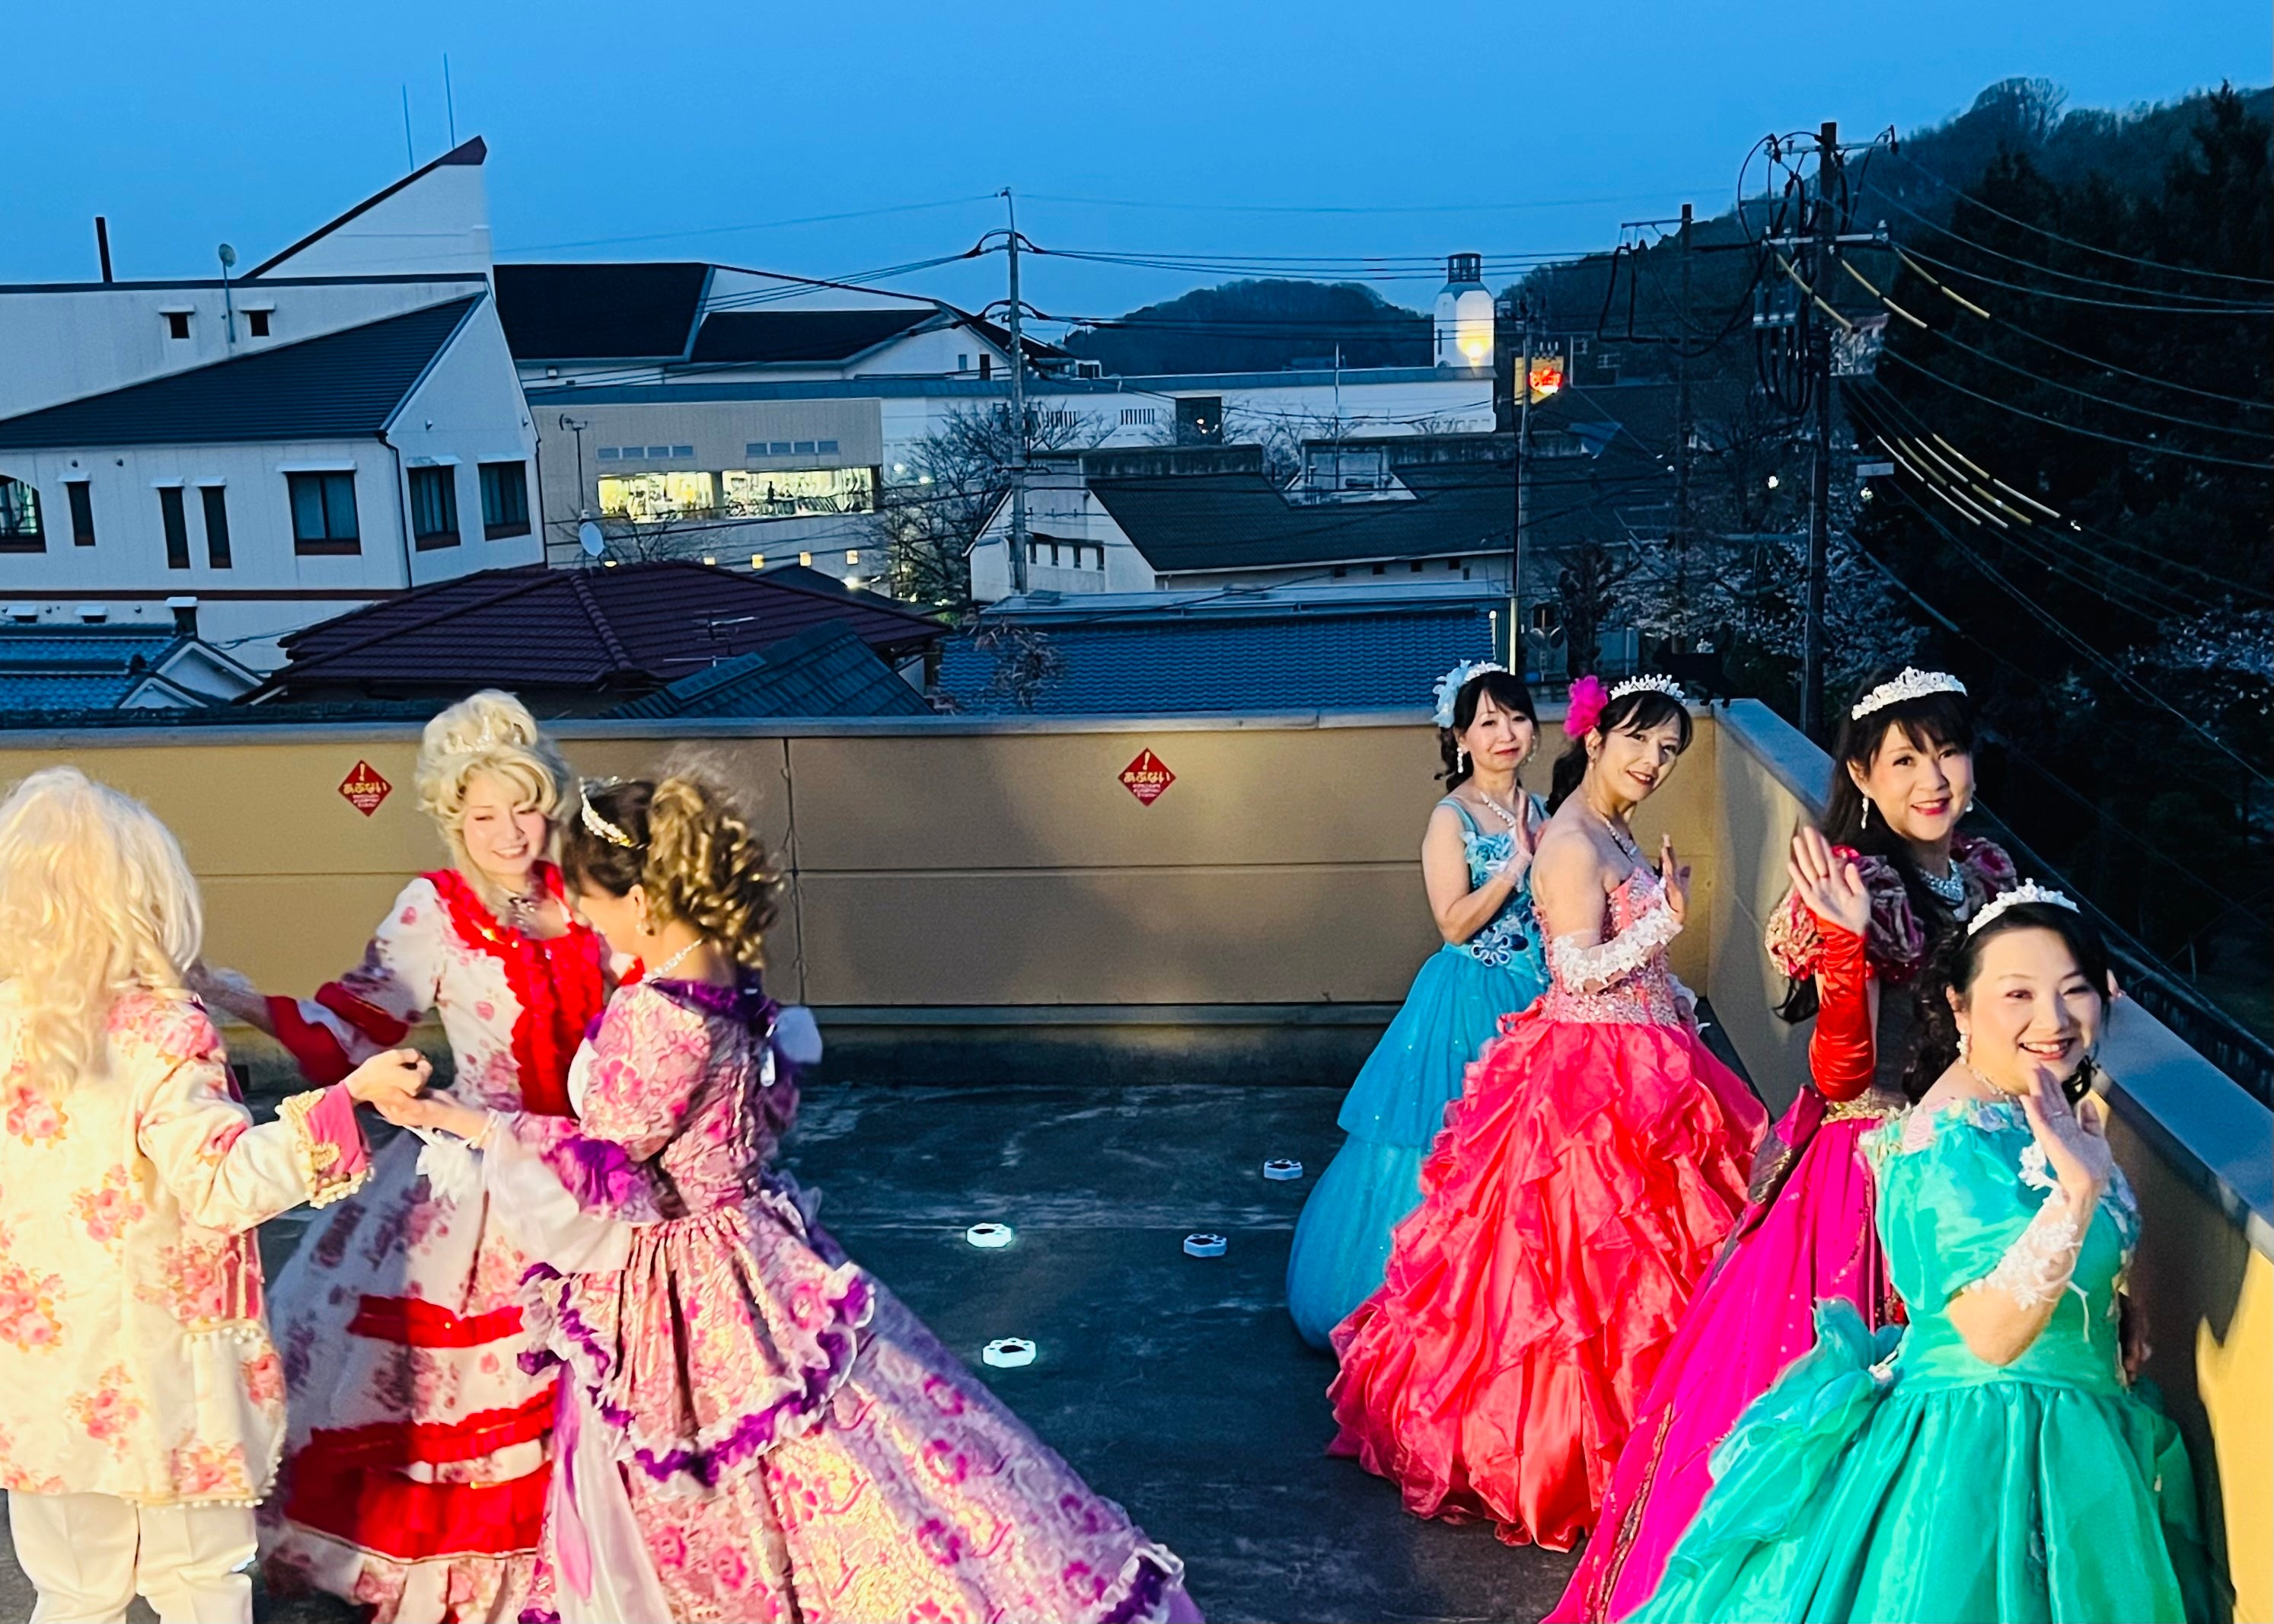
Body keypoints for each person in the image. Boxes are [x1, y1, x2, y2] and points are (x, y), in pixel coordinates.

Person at [377, 772, 1201, 1624]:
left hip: (680, 1283)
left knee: (732, 1483)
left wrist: (459, 1120)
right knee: (858, 1442)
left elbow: (599, 1167)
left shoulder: (653, 1014)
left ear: (643, 900)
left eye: (590, 901)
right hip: (750, 1242)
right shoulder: (719, 967)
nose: (584, 918)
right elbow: (749, 1096)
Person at [1552, 665, 2015, 1621]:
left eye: (1947, 752)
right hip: (1877, 1173)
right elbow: (1842, 1075)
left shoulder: (1984, 874)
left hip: (1983, 1164)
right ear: (1862, 775)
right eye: (1904, 760)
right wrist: (1845, 946)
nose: (1932, 778)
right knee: (1848, 1412)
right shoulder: (1856, 883)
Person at [1633, 885, 2215, 1623]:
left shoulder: (2022, 1104)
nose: (2052, 1018)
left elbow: (2028, 1261)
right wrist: (2074, 1200)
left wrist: (2104, 1307)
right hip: (1983, 1459)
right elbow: (1989, 1335)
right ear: (1959, 1007)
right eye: (2017, 993)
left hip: (2072, 1435)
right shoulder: (1945, 1142)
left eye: (2073, 990)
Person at [199, 692, 615, 1621]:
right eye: (484, 816)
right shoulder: (435, 907)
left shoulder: (588, 890)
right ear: (452, 820)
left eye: (525, 809)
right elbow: (355, 1025)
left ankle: (600, 1554)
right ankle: (474, 1578)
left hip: (594, 1168)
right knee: (460, 1400)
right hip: (478, 1176)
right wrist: (235, 996)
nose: (509, 833)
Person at [1327, 675, 1766, 1551]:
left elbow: (1625, 967)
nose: (1652, 761)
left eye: (1668, 750)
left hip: (1645, 1062)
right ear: (1593, 738)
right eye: (1636, 741)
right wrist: (1662, 925)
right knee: (1581, 1277)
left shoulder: (1609, 827)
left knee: (1647, 1267)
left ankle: (1662, 1431)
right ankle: (1571, 1451)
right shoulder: (1567, 839)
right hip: (1592, 1079)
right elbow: (1576, 970)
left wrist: (1673, 997)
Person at [0, 767, 427, 1624]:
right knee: (200, 1582)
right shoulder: (162, 1030)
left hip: (45, 1374)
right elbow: (222, 1184)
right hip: (170, 1373)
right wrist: (348, 1101)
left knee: (74, 1592)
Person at [1285, 662, 1553, 1349]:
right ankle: (1428, 1311)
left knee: (1529, 1154)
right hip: (1468, 1000)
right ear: (1460, 737)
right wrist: (1516, 865)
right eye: (1486, 721)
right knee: (1445, 1149)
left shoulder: (1542, 809)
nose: (1505, 733)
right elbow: (1453, 922)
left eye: (1516, 717)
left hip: (1538, 998)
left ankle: (1512, 1310)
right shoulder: (1450, 817)